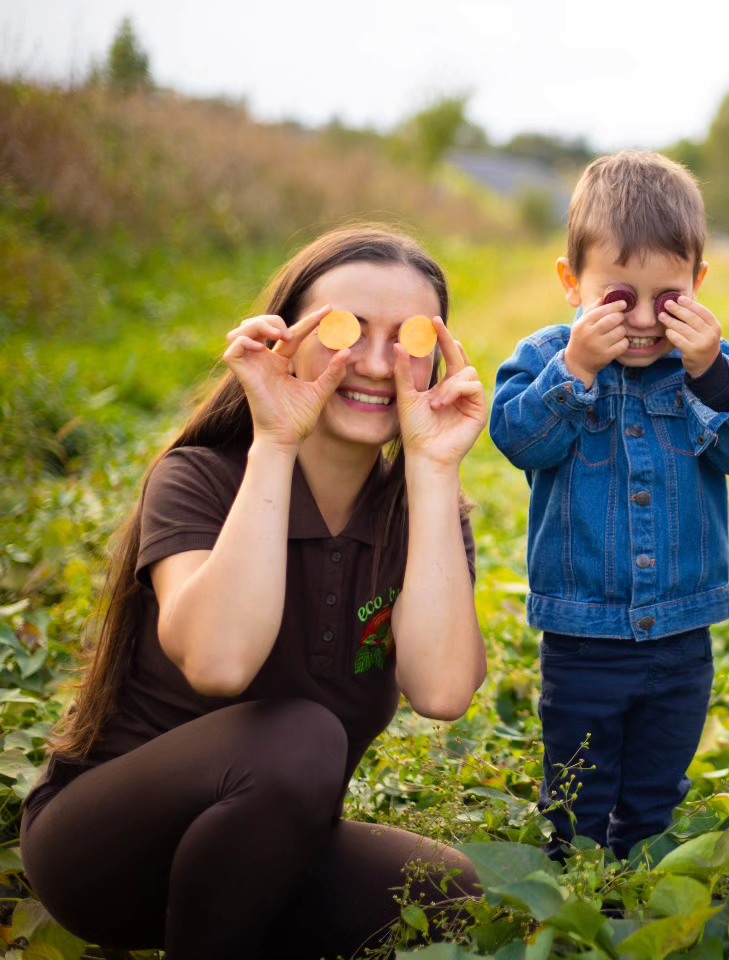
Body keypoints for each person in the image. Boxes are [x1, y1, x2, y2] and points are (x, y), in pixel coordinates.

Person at [20, 226, 490, 959]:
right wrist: (275, 439)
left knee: (445, 888)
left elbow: (442, 690)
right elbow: (219, 662)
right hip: (101, 851)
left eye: (409, 340)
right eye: (345, 330)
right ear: (287, 338)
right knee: (299, 738)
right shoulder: (202, 478)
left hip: (271, 853)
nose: (372, 362)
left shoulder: (421, 515)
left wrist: (433, 470)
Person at [490, 151, 729, 858]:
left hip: (683, 634)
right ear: (571, 283)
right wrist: (578, 371)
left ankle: (641, 879)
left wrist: (712, 374)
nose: (647, 321)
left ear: (699, 284)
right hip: (584, 636)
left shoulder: (709, 364)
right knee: (578, 789)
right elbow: (521, 440)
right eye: (620, 299)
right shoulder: (546, 359)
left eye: (669, 298)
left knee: (655, 789)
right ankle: (576, 885)